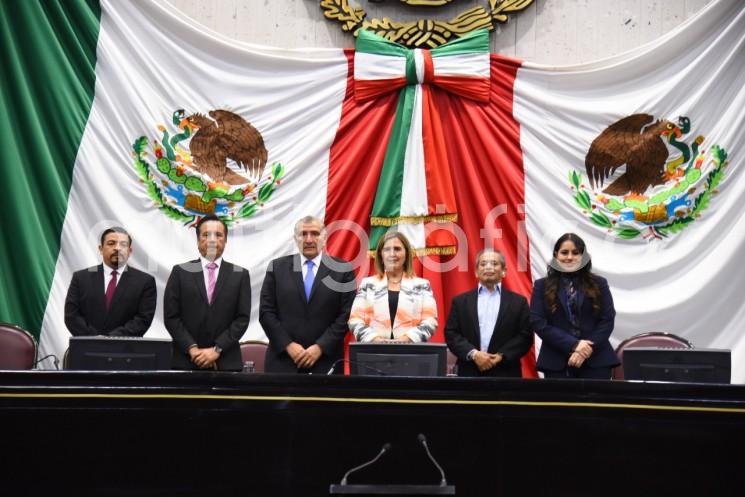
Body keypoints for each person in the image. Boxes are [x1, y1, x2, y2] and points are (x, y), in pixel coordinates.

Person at [259, 216, 356, 374]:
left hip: (325, 363)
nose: (309, 239)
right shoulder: (277, 268)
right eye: (303, 234)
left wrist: (320, 347)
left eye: (315, 234)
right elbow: (266, 312)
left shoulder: (343, 270)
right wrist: (288, 345)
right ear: (295, 238)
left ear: (324, 238)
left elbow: (347, 315)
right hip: (283, 362)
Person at [164, 214, 251, 371]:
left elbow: (242, 319)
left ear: (225, 241)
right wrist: (192, 349)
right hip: (186, 361)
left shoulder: (240, 275)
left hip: (226, 363)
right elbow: (171, 317)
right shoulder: (180, 272)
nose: (212, 240)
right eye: (206, 235)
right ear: (198, 241)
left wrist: (217, 349)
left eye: (218, 235)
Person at [530, 233, 618, 379]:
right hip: (556, 362)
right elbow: (538, 322)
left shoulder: (599, 283)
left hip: (596, 361)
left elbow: (607, 320)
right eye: (564, 252)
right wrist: (574, 344)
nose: (569, 257)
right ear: (556, 255)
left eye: (575, 253)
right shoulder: (541, 286)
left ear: (583, 257)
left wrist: (585, 349)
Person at [445, 249, 532, 377]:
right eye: (483, 264)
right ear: (476, 272)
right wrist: (474, 354)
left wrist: (501, 356)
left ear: (504, 271)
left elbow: (525, 336)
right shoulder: (460, 301)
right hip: (469, 371)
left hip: (506, 372)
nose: (489, 267)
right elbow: (451, 333)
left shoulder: (518, 302)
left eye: (494, 263)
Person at [64, 226, 156, 337]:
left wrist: (110, 340)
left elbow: (142, 320)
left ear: (130, 251)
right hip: (86, 348)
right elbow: (71, 316)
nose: (117, 248)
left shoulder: (145, 282)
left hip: (126, 351)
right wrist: (93, 339)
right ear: (100, 249)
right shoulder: (81, 278)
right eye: (111, 243)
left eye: (123, 244)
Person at [348, 231, 437, 343]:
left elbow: (430, 321)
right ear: (381, 254)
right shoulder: (367, 285)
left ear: (406, 254)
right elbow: (355, 320)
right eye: (387, 249)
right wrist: (374, 339)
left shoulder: (422, 285)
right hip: (374, 353)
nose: (392, 254)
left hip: (411, 353)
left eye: (397, 249)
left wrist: (407, 339)